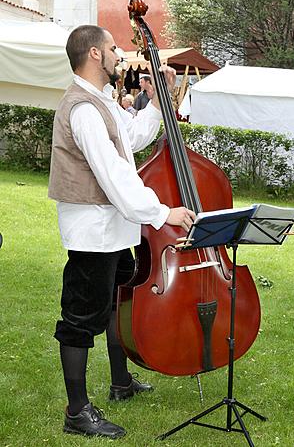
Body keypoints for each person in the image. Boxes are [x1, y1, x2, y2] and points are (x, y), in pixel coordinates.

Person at [48, 25, 195, 438]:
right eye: (114, 48)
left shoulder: (102, 103)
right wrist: (162, 213)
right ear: (94, 54)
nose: (120, 55)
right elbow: (114, 176)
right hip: (92, 233)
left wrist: (159, 101)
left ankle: (120, 383)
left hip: (113, 229)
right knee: (80, 318)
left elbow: (132, 138)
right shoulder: (82, 108)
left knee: (114, 305)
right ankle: (77, 411)